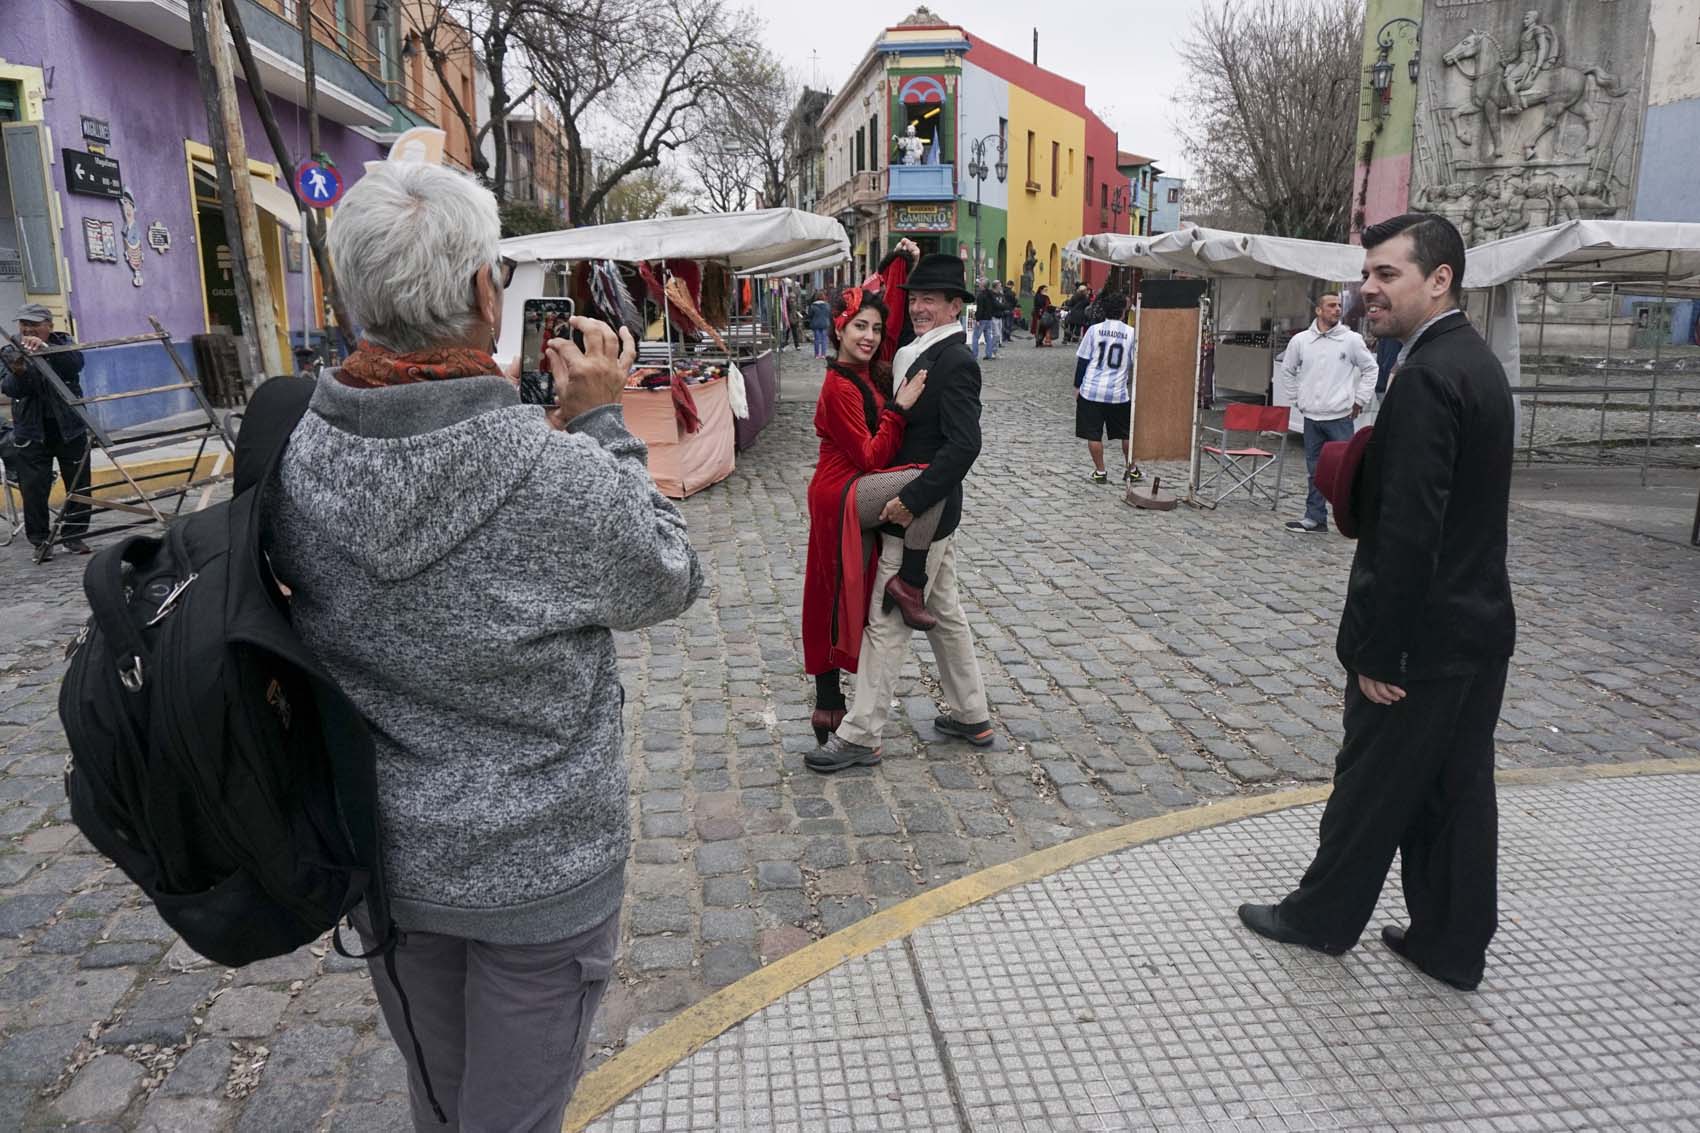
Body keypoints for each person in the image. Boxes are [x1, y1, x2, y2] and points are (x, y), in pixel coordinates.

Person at [263, 161, 704, 1132]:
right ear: (479, 292)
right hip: (540, 873)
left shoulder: (291, 454)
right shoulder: (558, 473)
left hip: (388, 859)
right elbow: (666, 574)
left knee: (443, 1105)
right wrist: (598, 419)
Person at [1238, 212, 1516, 993]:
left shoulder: (1428, 373)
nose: (1368, 289)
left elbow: (1408, 531)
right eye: (1367, 274)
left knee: (1369, 783)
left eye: (1386, 274)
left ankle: (1319, 918)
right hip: (1476, 630)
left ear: (1440, 279)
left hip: (1422, 643)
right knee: (1456, 794)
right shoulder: (1474, 360)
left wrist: (1380, 650)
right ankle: (1451, 943)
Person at [809, 253, 992, 773]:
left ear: (956, 306)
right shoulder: (916, 352)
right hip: (928, 512)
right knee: (946, 614)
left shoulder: (957, 361)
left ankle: (861, 734)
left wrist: (910, 501)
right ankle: (970, 712)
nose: (918, 307)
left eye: (930, 299)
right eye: (914, 298)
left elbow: (963, 447)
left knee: (886, 619)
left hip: (920, 510)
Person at [1280, 291, 1378, 533]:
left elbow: (1370, 368)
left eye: (1339, 305)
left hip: (1340, 417)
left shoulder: (1351, 340)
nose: (1337, 309)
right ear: (1319, 310)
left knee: (1348, 471)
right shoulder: (1301, 341)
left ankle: (1355, 517)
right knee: (1315, 471)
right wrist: (1297, 398)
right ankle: (1315, 517)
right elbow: (1288, 370)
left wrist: (1360, 400)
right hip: (1312, 417)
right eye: (1331, 305)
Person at [2, 303, 92, 556]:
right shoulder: (9, 350)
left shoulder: (63, 343)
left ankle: (74, 536)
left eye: (34, 324)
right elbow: (11, 389)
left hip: (69, 428)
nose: (28, 329)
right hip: (31, 431)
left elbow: (74, 365)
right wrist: (20, 369)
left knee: (79, 484)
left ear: (49, 327)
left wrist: (46, 351)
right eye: (23, 324)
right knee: (34, 489)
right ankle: (40, 541)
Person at [1074, 292, 1140, 485]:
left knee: (1094, 433)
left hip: (1092, 390)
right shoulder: (1131, 333)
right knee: (1126, 433)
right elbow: (1136, 363)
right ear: (1123, 311)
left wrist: (1077, 386)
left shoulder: (1094, 330)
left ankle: (1100, 471)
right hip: (1118, 393)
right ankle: (1131, 469)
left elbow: (1083, 360)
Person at [972, 278, 1002, 361]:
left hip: (982, 319)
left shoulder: (981, 295)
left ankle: (974, 355)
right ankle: (989, 354)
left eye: (980, 283)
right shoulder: (990, 294)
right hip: (989, 318)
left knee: (975, 337)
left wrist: (977, 319)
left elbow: (980, 308)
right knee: (988, 337)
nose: (979, 284)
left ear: (983, 285)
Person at [808, 291, 832, 358]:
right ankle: (823, 354)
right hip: (825, 323)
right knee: (824, 339)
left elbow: (810, 315)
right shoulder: (827, 305)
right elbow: (829, 314)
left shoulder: (813, 305)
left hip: (816, 324)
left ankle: (817, 354)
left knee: (817, 340)